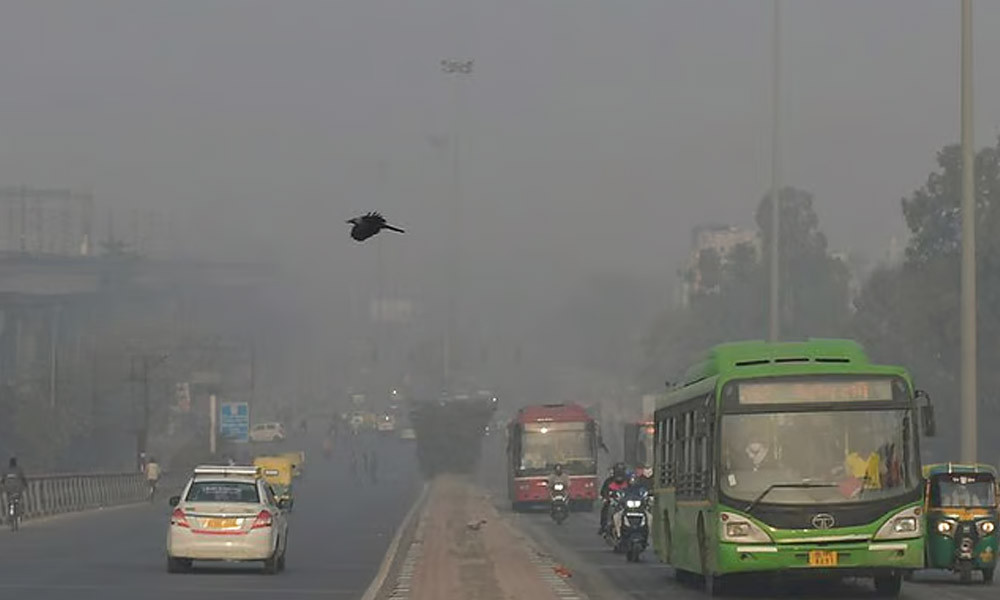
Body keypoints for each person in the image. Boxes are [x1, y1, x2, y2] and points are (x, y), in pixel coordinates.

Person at [599, 462, 630, 534]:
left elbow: (634, 489)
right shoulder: (609, 481)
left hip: (626, 503)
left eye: (621, 470)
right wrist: (606, 498)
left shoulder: (629, 481)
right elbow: (604, 491)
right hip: (613, 502)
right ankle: (604, 526)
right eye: (617, 470)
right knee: (606, 508)